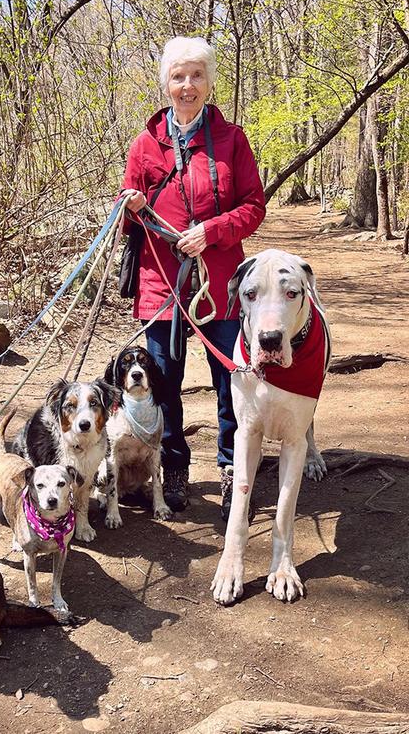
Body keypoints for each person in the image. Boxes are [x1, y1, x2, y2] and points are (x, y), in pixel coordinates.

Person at [118, 36, 265, 518]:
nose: (187, 86)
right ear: (166, 83)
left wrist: (213, 231)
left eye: (196, 75)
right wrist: (132, 206)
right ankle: (174, 468)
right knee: (165, 382)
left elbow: (254, 207)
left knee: (230, 380)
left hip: (219, 283)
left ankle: (231, 469)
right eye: (178, 76)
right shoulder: (145, 144)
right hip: (160, 284)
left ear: (209, 81)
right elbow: (129, 214)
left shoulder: (232, 139)